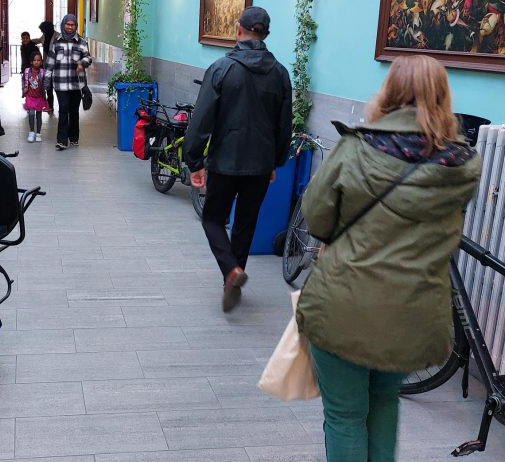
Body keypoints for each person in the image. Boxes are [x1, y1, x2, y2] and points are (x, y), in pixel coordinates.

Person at [296, 55, 481, 461]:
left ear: (390, 91)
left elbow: (317, 216)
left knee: (345, 415)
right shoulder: (462, 165)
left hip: (344, 305)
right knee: (384, 404)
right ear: (442, 97)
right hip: (411, 312)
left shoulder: (357, 148)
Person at [183, 6, 292, 312]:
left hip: (225, 162)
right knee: (246, 222)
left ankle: (231, 270)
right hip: (259, 166)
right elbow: (284, 125)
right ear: (266, 34)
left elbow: (201, 120)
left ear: (238, 30)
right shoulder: (280, 74)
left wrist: (194, 161)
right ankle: (231, 277)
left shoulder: (221, 69)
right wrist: (275, 162)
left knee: (213, 218)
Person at [44, 14, 92, 151]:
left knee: (74, 111)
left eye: (73, 25)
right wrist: (46, 81)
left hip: (77, 84)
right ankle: (62, 140)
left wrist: (82, 63)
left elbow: (88, 58)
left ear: (76, 26)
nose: (70, 27)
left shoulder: (82, 42)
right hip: (60, 84)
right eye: (68, 24)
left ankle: (74, 137)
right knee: (64, 109)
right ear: (63, 25)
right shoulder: (56, 42)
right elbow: (50, 63)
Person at [23, 50, 48, 143]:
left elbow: (46, 83)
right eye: (34, 60)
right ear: (31, 62)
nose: (36, 62)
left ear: (41, 62)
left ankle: (38, 134)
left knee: (39, 115)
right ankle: (31, 132)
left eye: (38, 60)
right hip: (30, 97)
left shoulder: (42, 72)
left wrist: (46, 88)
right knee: (31, 114)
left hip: (39, 97)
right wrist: (24, 89)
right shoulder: (27, 71)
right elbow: (23, 81)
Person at [39, 21, 57, 112]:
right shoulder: (45, 36)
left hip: (57, 66)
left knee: (57, 87)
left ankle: (63, 106)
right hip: (47, 65)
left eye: (43, 30)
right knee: (48, 86)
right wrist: (28, 40)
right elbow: (38, 40)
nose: (42, 32)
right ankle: (50, 106)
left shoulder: (58, 36)